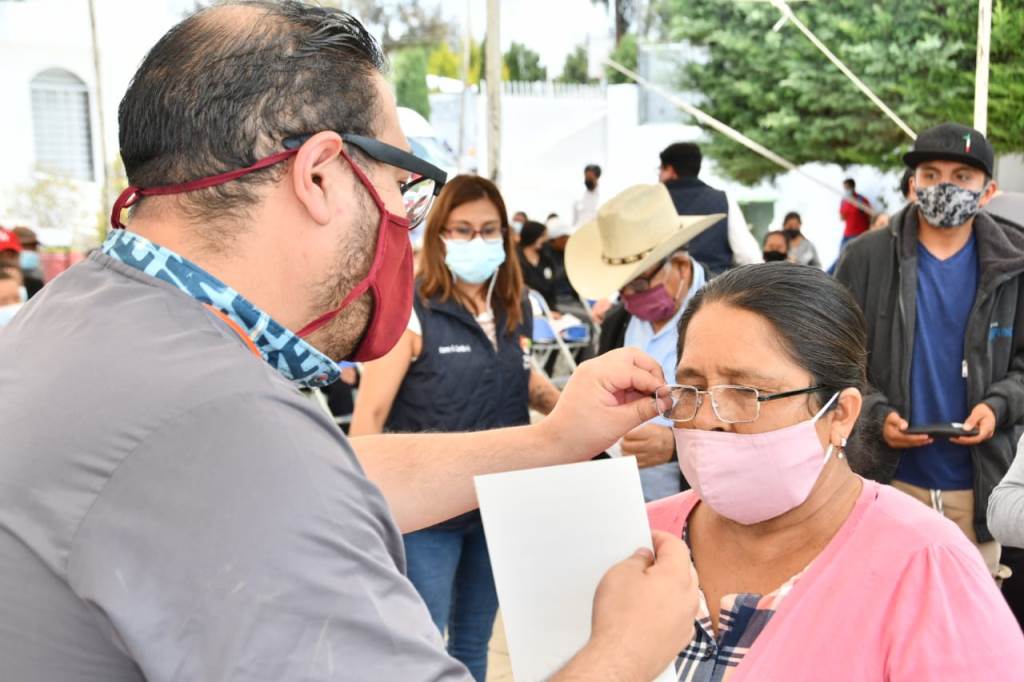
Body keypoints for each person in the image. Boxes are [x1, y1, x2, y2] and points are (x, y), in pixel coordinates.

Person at [0, 3, 700, 680]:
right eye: (401, 185)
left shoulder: (84, 314)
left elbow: (326, 477)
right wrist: (625, 650)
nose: (404, 220)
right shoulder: (222, 422)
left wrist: (552, 441)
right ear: (319, 175)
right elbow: (270, 473)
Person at [649, 263, 1024, 679]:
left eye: (746, 392)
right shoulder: (638, 537)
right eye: (694, 389)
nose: (706, 419)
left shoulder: (929, 567)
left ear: (840, 413)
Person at [350, 175, 560, 681]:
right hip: (427, 511)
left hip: (497, 506)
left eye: (489, 230)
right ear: (440, 232)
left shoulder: (515, 306)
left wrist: (569, 407)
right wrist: (359, 510)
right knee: (420, 645)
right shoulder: (412, 309)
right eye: (463, 229)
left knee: (472, 641)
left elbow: (519, 374)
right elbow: (369, 416)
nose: (477, 241)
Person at [835, 122, 1024, 581]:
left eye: (962, 176)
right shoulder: (864, 258)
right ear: (913, 184)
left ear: (988, 191)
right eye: (931, 174)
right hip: (885, 483)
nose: (945, 186)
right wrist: (876, 414)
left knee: (971, 616)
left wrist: (997, 406)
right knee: (883, 607)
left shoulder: (1016, 263)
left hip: (981, 486)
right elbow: (833, 354)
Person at [566, 183, 720, 501]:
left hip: (705, 499)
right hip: (626, 496)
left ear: (679, 266)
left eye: (638, 284)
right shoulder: (618, 322)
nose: (628, 297)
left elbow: (751, 412)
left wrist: (676, 444)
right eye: (621, 287)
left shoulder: (729, 316)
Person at [658, 142, 762, 275]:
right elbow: (748, 256)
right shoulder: (722, 200)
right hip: (714, 283)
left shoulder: (652, 202)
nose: (659, 175)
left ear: (670, 170)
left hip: (663, 284)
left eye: (660, 169)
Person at [517, 220, 560, 312]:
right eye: (542, 235)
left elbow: (551, 289)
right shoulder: (516, 259)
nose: (546, 239)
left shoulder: (546, 259)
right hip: (527, 309)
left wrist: (551, 310)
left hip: (549, 308)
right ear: (532, 235)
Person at [12, 226, 44, 298]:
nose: (30, 251)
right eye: (25, 246)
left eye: (33, 247)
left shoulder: (36, 282)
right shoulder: (4, 282)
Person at [839, 177, 872, 247]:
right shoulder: (844, 201)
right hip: (848, 233)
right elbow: (842, 218)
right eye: (844, 188)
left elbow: (871, 215)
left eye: (847, 188)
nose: (846, 190)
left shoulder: (861, 200)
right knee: (842, 252)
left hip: (860, 233)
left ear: (852, 187)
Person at [573, 163, 601, 228]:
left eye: (590, 177)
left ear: (597, 177)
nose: (587, 179)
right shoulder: (578, 199)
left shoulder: (604, 197)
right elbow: (574, 223)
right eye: (586, 177)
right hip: (581, 231)